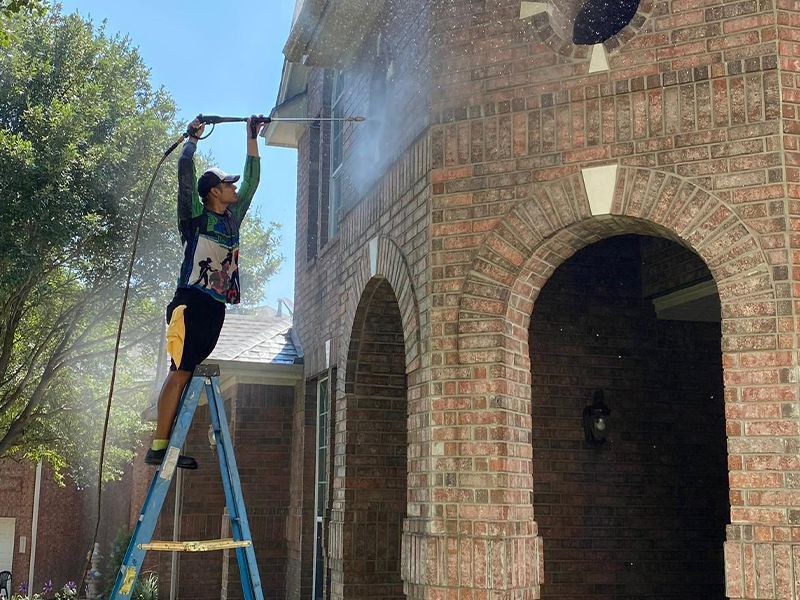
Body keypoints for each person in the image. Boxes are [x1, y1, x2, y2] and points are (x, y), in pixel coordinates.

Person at [144, 115, 269, 469]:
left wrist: (251, 136)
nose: (234, 187)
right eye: (227, 184)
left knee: (189, 371)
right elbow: (185, 173)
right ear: (213, 190)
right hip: (190, 304)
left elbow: (254, 180)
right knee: (180, 370)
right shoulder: (194, 216)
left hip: (216, 307)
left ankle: (170, 446)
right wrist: (192, 140)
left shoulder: (232, 218)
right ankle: (159, 445)